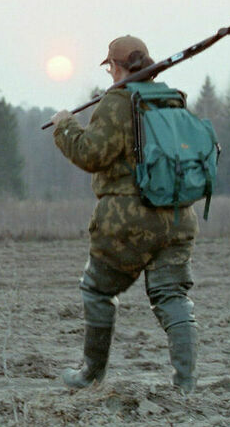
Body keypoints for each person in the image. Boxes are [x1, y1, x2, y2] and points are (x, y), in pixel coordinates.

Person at [50, 36, 199, 394]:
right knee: (172, 297)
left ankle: (90, 375)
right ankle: (186, 386)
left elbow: (91, 155)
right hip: (177, 216)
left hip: (127, 222)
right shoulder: (171, 99)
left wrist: (65, 126)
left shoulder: (117, 102)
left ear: (114, 66)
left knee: (97, 291)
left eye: (109, 67)